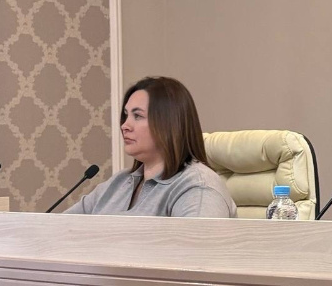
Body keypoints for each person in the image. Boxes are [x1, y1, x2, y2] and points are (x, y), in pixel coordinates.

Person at [65, 76, 235, 218]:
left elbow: (195, 247)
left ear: (169, 123)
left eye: (137, 116)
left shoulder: (198, 187)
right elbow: (57, 230)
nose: (125, 125)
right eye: (126, 115)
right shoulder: (117, 183)